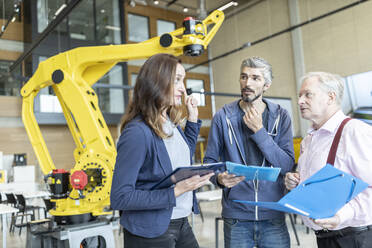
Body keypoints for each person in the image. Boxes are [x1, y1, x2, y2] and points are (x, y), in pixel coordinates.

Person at [110, 53, 213, 248]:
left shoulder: (170, 123)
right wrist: (177, 190)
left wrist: (192, 121)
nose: (183, 89)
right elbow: (120, 197)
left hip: (181, 221)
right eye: (177, 80)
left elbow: (180, 158)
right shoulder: (137, 132)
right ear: (157, 81)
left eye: (183, 81)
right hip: (150, 229)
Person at [204, 56, 295, 248]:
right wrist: (219, 179)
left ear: (267, 85)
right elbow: (209, 163)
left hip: (273, 217)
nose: (247, 83)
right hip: (236, 218)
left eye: (255, 78)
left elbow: (286, 165)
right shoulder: (223, 117)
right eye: (244, 77)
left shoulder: (281, 116)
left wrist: (260, 132)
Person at [285, 71, 372, 248]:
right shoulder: (309, 139)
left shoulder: (354, 131)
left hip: (354, 238)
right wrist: (296, 180)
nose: (300, 101)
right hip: (324, 238)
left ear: (330, 97)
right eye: (299, 95)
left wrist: (341, 216)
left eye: (308, 94)